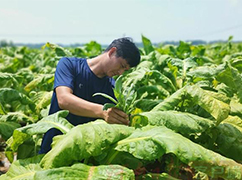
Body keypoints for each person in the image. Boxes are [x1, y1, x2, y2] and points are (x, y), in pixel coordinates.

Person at [39, 37, 141, 154]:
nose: (121, 73)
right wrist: (102, 112)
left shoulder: (113, 89)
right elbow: (64, 100)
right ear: (112, 52)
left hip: (84, 158)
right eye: (122, 66)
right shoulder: (69, 65)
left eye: (125, 70)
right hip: (52, 149)